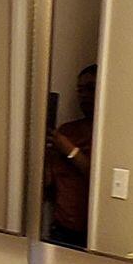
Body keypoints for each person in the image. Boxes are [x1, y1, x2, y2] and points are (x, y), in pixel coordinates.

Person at [44, 64, 96, 245]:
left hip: (92, 235)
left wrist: (69, 150)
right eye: (80, 90)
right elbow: (48, 184)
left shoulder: (108, 137)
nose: (84, 95)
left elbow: (99, 180)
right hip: (61, 229)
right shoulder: (67, 130)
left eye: (90, 88)